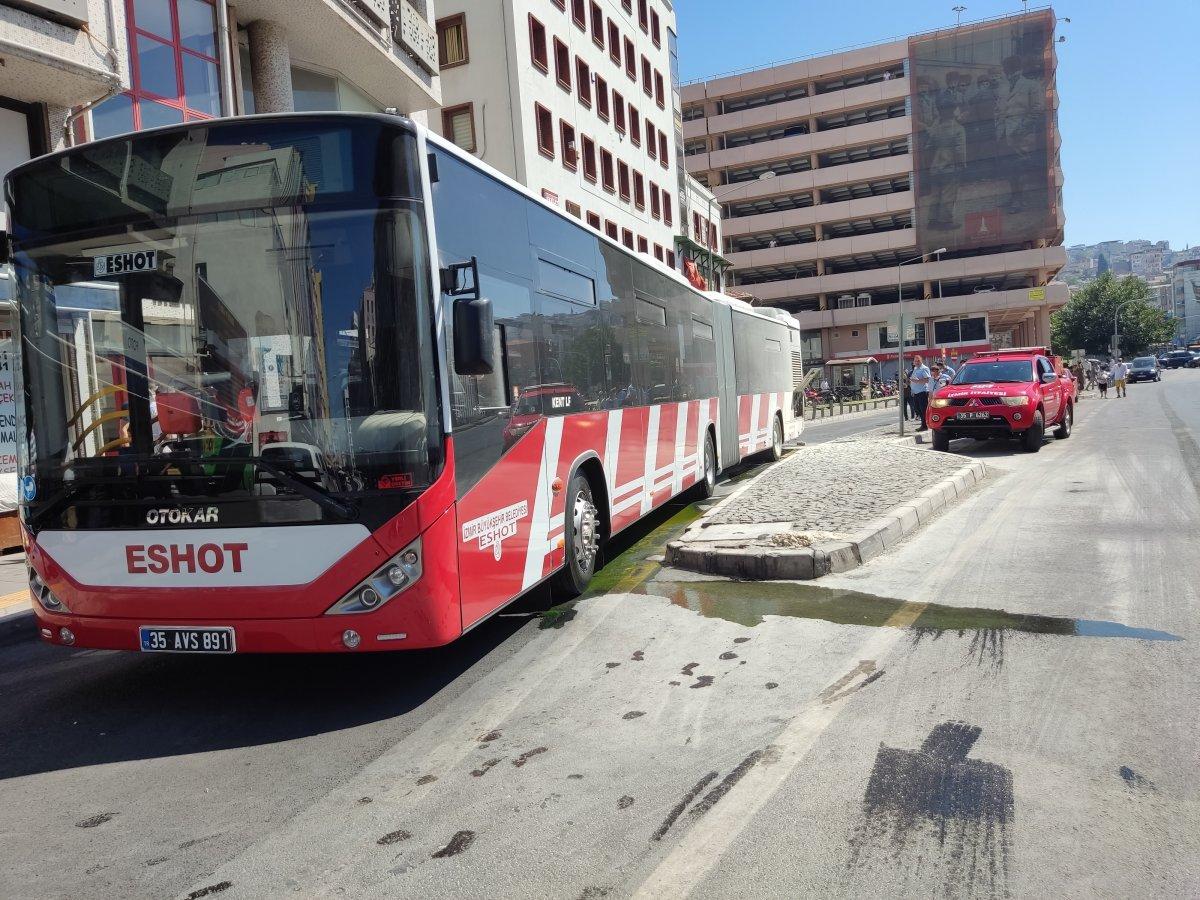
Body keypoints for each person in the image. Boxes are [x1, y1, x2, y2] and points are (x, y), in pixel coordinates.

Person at [909, 354, 932, 431]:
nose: (917, 362)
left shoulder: (924, 368)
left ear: (921, 361)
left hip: (922, 392)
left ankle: (925, 425)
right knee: (917, 409)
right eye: (915, 361)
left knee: (923, 410)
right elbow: (914, 380)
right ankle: (924, 424)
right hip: (915, 392)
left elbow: (927, 379)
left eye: (918, 361)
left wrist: (917, 381)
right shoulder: (915, 368)